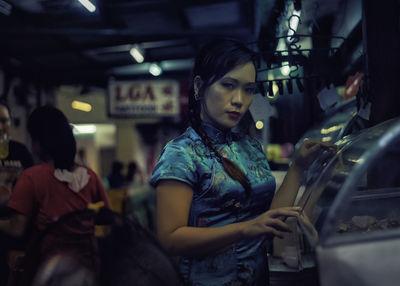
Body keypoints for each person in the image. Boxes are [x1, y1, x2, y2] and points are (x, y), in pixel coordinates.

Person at [150, 39, 334, 286]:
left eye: (248, 89)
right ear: (199, 87)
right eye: (228, 85)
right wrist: (245, 229)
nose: (239, 99)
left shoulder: (249, 146)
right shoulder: (180, 154)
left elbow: (267, 220)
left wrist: (298, 167)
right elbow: (170, 239)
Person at [0, 105, 110, 284]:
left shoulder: (32, 177)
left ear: (38, 142)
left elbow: (16, 228)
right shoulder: (90, 176)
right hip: (87, 270)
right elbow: (107, 217)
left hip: (48, 272)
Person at [0, 100, 34, 206]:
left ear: (10, 122)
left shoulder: (20, 151)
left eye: (4, 121)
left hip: (17, 214)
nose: (0, 127)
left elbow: (33, 186)